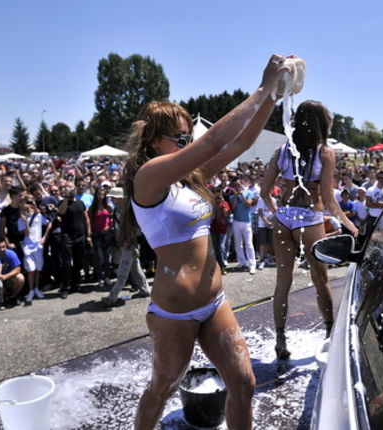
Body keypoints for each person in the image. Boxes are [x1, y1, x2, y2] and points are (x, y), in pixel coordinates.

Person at [123, 54, 288, 429]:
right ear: (152, 141)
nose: (188, 143)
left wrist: (273, 97)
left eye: (188, 137)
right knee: (162, 389)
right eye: (180, 138)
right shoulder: (148, 177)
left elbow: (242, 142)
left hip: (214, 303)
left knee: (244, 384)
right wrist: (261, 85)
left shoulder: (190, 178)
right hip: (174, 313)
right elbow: (215, 139)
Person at [260, 100, 358, 360]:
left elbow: (264, 191)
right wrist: (349, 225)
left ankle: (280, 340)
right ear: (321, 124)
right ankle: (329, 335)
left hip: (284, 219)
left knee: (283, 282)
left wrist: (276, 214)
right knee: (320, 279)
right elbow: (327, 198)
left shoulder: (282, 151)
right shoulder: (325, 153)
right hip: (310, 220)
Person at [101, 187, 150, 306]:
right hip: (124, 243)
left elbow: (134, 228)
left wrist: (129, 241)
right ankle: (145, 290)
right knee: (135, 268)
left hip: (128, 243)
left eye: (113, 197)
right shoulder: (118, 209)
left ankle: (112, 297)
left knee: (123, 272)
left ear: (120, 198)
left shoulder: (128, 211)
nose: (111, 199)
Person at [18, 200, 51, 304]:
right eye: (26, 204)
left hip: (38, 246)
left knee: (38, 269)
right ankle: (31, 290)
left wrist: (44, 237)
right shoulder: (20, 220)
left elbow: (49, 224)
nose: (28, 206)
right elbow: (26, 234)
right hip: (28, 247)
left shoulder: (38, 216)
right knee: (30, 270)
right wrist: (25, 221)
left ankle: (36, 288)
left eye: (30, 204)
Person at [88, 187, 114, 289]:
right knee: (99, 258)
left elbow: (112, 219)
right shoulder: (92, 208)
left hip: (106, 234)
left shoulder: (108, 207)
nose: (101, 196)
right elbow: (89, 221)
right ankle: (100, 278)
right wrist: (89, 234)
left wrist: (109, 226)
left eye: (103, 194)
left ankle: (107, 276)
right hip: (96, 234)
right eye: (99, 194)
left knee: (107, 257)